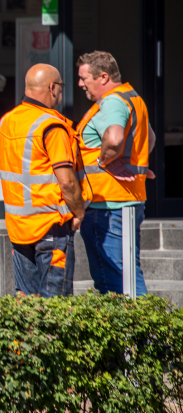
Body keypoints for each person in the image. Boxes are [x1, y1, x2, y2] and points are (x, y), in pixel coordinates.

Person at [0, 64, 90, 297]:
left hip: (18, 228)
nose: (61, 92)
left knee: (26, 306)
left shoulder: (7, 121)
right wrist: (78, 212)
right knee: (54, 307)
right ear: (52, 87)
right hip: (51, 227)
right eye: (61, 86)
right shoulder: (52, 126)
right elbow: (67, 182)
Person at [76, 51, 155, 295]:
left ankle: (140, 334)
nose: (80, 84)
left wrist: (104, 161)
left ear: (102, 77)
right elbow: (150, 138)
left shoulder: (111, 102)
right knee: (126, 275)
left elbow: (114, 138)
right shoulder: (132, 98)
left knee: (116, 280)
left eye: (84, 78)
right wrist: (131, 161)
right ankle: (140, 330)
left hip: (108, 205)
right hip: (126, 200)